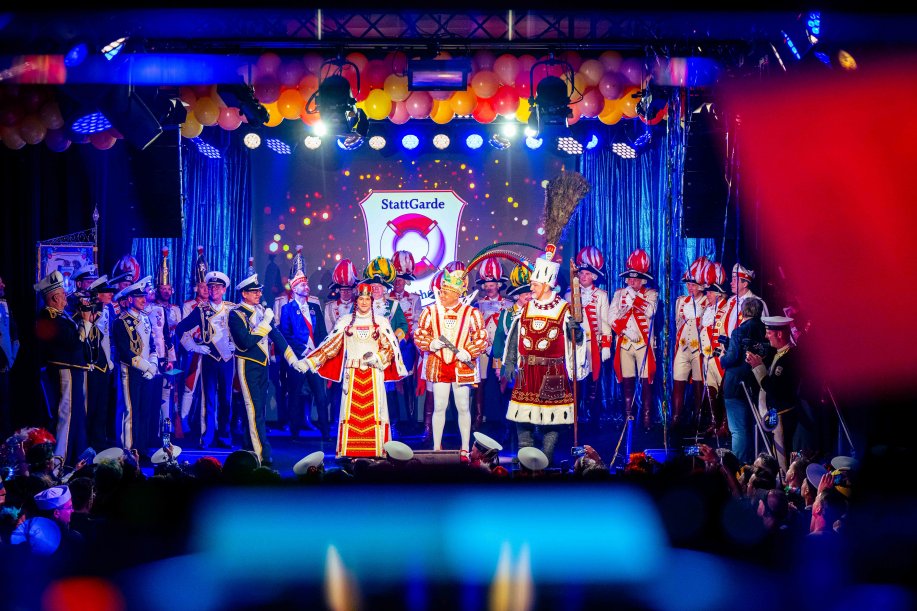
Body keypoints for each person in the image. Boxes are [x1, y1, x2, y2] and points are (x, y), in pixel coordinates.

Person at [501, 245, 587, 466]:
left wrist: (576, 331)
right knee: (522, 417)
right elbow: (516, 334)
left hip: (552, 371)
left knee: (552, 418)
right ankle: (525, 456)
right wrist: (510, 361)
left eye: (535, 284)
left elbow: (576, 340)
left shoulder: (564, 309)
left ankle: (546, 457)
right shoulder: (526, 307)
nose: (531, 287)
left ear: (547, 285)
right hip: (527, 371)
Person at [305, 282, 408, 458]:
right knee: (351, 415)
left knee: (375, 414)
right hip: (352, 375)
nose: (364, 302)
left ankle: (376, 451)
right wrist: (309, 362)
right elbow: (331, 346)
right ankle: (350, 451)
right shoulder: (345, 322)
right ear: (356, 300)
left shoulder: (381, 322)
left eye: (367, 299)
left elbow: (390, 348)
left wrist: (379, 358)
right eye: (361, 299)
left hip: (373, 374)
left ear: (371, 300)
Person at [229, 273, 309, 467]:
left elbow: (278, 337)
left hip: (263, 365)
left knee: (259, 410)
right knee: (253, 409)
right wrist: (265, 323)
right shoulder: (236, 314)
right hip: (248, 365)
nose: (259, 294)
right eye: (254, 291)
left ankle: (248, 448)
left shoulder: (261, 311)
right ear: (244, 294)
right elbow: (246, 342)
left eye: (259, 291)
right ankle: (262, 454)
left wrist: (293, 360)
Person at [414, 268, 487, 456]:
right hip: (439, 364)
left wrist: (468, 351)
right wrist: (431, 343)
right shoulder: (430, 311)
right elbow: (420, 334)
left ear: (456, 294)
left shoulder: (471, 313)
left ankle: (465, 448)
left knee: (463, 406)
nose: (441, 295)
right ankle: (436, 447)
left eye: (446, 292)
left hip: (461, 366)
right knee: (439, 407)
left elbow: (481, 337)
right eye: (441, 292)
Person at [172, 270, 236, 449]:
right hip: (209, 358)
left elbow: (244, 330)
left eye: (217, 287)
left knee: (226, 399)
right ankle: (207, 435)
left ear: (224, 290)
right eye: (211, 287)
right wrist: (194, 346)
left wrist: (236, 344)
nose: (213, 290)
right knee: (208, 400)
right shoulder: (201, 310)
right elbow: (181, 328)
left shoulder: (232, 309)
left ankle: (224, 435)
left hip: (227, 359)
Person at [35, 271, 90, 466]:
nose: (66, 298)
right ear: (54, 298)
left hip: (74, 369)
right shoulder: (49, 317)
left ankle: (75, 460)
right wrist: (85, 322)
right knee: (66, 416)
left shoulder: (61, 316)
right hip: (63, 371)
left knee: (77, 417)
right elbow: (72, 342)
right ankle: (58, 463)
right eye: (63, 295)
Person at [278, 251, 331, 439]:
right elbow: (285, 335)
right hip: (299, 359)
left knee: (321, 396)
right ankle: (294, 433)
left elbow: (323, 333)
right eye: (302, 284)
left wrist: (319, 351)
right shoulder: (287, 309)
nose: (306, 287)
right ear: (294, 288)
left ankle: (326, 433)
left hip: (315, 358)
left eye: (307, 284)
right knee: (295, 395)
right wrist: (303, 349)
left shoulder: (315, 308)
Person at [747, 315, 805, 473]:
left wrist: (758, 367)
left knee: (783, 455)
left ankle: (787, 482)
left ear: (779, 334)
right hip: (775, 413)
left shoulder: (789, 358)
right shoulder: (778, 354)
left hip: (783, 414)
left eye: (769, 333)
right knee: (777, 452)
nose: (766, 337)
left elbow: (774, 389)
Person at [608, 249, 658, 431]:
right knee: (627, 382)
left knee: (646, 382)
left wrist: (635, 298)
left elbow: (651, 312)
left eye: (636, 279)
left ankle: (646, 417)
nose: (631, 282)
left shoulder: (651, 294)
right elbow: (611, 317)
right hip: (625, 343)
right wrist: (625, 331)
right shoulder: (619, 294)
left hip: (643, 345)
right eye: (629, 278)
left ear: (643, 280)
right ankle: (628, 415)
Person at [112, 276, 159, 464]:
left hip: (146, 372)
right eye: (139, 297)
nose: (143, 300)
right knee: (130, 412)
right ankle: (129, 451)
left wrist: (154, 364)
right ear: (130, 299)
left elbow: (152, 345)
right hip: (131, 371)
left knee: (145, 411)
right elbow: (125, 352)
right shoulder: (120, 321)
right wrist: (147, 366)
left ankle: (142, 449)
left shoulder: (146, 319)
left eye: (143, 296)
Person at [564, 246, 612, 424]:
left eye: (587, 274)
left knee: (593, 380)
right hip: (574, 344)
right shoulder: (569, 294)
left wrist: (606, 345)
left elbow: (605, 321)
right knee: (575, 380)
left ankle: (592, 416)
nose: (583, 276)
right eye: (581, 273)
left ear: (594, 276)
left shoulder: (601, 295)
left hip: (592, 344)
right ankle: (574, 414)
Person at [364, 256, 409, 434]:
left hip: (386, 355)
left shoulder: (394, 305)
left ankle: (393, 424)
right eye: (373, 287)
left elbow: (403, 326)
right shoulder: (362, 304)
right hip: (366, 354)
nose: (375, 289)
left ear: (384, 289)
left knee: (389, 390)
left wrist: (394, 339)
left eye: (378, 287)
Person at [720, 297, 767, 464]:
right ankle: (754, 462)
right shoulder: (764, 329)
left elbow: (732, 358)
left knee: (738, 429)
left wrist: (722, 357)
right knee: (752, 426)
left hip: (736, 384)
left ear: (743, 311)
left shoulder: (739, 331)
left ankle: (738, 466)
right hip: (756, 383)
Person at [472, 257, 513, 434]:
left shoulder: (508, 304)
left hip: (499, 350)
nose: (489, 287)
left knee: (502, 382)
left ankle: (505, 419)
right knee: (480, 382)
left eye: (492, 284)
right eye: (487, 285)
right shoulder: (477, 305)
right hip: (482, 349)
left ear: (498, 285)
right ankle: (479, 417)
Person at [672, 256, 709, 430]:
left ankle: (698, 418)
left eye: (693, 284)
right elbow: (677, 323)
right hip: (683, 346)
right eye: (688, 284)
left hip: (699, 350)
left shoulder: (707, 302)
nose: (690, 287)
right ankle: (676, 419)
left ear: (701, 285)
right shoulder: (681, 301)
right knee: (678, 381)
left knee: (698, 384)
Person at [321, 258, 358, 435]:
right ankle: (336, 422)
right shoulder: (329, 307)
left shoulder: (360, 306)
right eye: (343, 289)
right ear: (338, 290)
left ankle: (353, 421)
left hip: (356, 353)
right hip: (338, 353)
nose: (346, 292)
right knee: (336, 390)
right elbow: (329, 332)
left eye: (348, 289)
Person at [389, 251, 424, 434]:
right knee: (392, 383)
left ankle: (411, 421)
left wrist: (409, 339)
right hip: (390, 346)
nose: (398, 282)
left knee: (409, 383)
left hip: (407, 346)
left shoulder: (415, 299)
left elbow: (417, 322)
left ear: (406, 280)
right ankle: (395, 421)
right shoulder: (386, 299)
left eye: (401, 279)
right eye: (396, 278)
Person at [178, 246, 210, 434]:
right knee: (189, 386)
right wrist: (194, 346)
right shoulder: (189, 305)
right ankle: (183, 420)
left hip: (211, 352)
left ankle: (207, 424)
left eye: (208, 286)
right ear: (196, 288)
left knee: (209, 389)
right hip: (194, 350)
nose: (206, 289)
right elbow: (184, 330)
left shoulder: (214, 306)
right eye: (202, 286)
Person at [699, 260, 730, 437]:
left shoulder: (727, 308)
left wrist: (721, 352)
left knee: (724, 391)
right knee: (710, 390)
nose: (707, 294)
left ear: (719, 293)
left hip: (720, 356)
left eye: (710, 292)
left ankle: (725, 425)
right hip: (707, 356)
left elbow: (728, 332)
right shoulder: (708, 309)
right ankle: (714, 422)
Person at [153, 247, 183, 433]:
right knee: (156, 390)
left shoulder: (176, 309)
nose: (165, 292)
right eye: (162, 289)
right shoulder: (152, 309)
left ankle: (168, 426)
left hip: (173, 354)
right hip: (157, 355)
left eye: (168, 289)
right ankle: (155, 427)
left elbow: (179, 330)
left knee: (171, 389)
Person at [723, 263, 769, 338]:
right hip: (731, 343)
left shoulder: (758, 303)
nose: (731, 283)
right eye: (732, 280)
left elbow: (765, 330)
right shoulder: (731, 301)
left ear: (745, 284)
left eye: (735, 280)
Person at [0, 275, 21, 438]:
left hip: (4, 366)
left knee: (4, 407)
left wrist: (11, 359)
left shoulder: (4, 305)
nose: (3, 285)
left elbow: (14, 335)